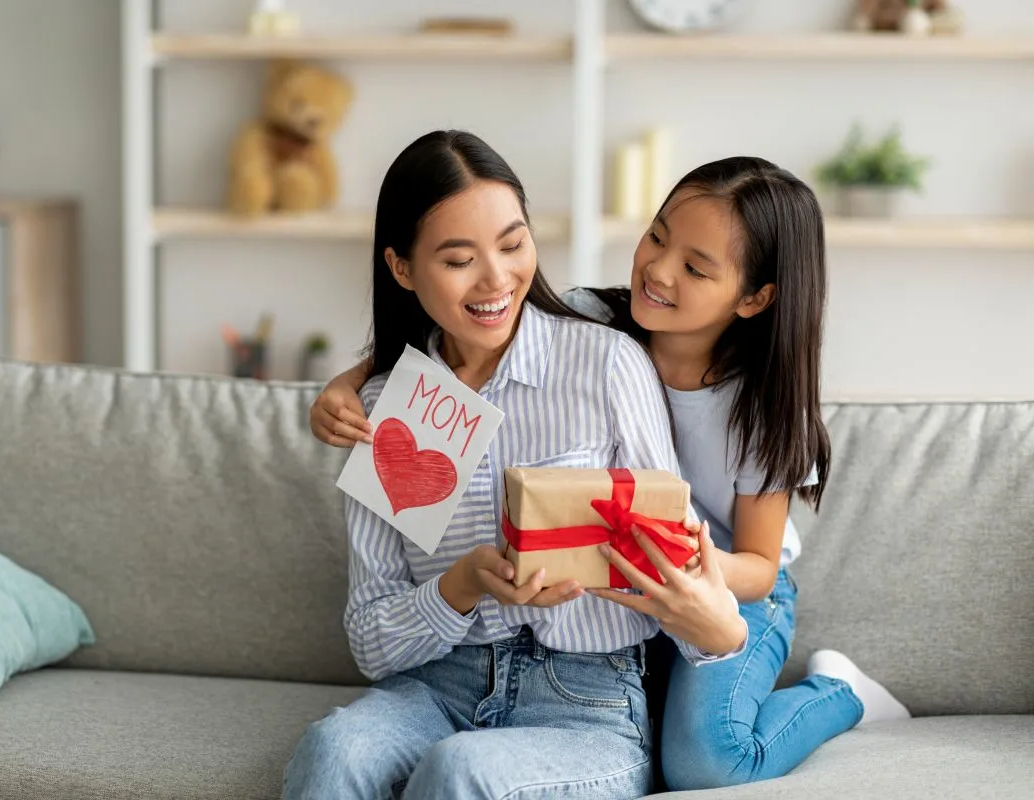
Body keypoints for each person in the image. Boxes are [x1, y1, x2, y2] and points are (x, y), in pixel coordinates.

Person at [309, 154, 910, 792]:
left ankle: (838, 692)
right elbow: (461, 323)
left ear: (755, 297)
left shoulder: (745, 401)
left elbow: (757, 569)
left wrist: (668, 568)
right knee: (336, 750)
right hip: (607, 595)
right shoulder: (589, 314)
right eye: (656, 237)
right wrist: (353, 383)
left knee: (706, 757)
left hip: (724, 577)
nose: (659, 270)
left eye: (695, 268)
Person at [283, 130, 748, 800]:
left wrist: (715, 628)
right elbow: (372, 642)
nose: (497, 280)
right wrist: (462, 584)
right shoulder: (384, 410)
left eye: (512, 244)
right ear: (402, 268)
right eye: (458, 259)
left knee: (460, 771)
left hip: (584, 702)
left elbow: (674, 565)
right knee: (334, 750)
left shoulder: (606, 364)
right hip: (433, 687)